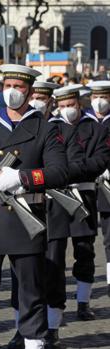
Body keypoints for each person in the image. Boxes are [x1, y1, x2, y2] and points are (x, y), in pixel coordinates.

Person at [0, 64, 68, 349]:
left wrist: (22, 178)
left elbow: (59, 172)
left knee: (31, 294)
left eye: (18, 87)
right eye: (8, 86)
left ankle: (33, 342)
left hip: (25, 218)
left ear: (30, 92)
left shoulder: (45, 129)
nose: (12, 92)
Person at [8, 81, 85, 349]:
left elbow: (70, 166)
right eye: (35, 97)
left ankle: (51, 326)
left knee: (52, 269)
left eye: (42, 98)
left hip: (55, 206)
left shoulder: (60, 128)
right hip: (25, 207)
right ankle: (21, 327)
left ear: (50, 101)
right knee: (22, 274)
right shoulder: (21, 127)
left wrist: (38, 178)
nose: (37, 102)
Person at [53, 84, 110, 321]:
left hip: (83, 196)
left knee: (84, 251)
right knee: (54, 254)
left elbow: (99, 161)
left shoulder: (94, 129)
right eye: (63, 106)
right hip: (56, 198)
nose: (68, 110)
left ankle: (83, 302)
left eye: (71, 105)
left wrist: (65, 171)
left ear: (79, 103)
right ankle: (54, 308)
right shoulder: (51, 129)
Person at [88, 81, 110, 297]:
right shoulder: (86, 122)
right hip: (84, 188)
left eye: (104, 95)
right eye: (95, 95)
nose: (100, 100)